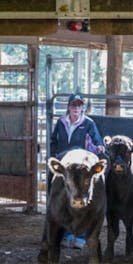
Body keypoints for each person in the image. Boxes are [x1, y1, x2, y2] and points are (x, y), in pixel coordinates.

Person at [49, 93, 105, 249]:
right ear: (68, 107)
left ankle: (79, 237)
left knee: (79, 200)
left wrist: (98, 147)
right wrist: (54, 155)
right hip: (64, 165)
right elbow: (54, 140)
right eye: (73, 105)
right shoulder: (61, 122)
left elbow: (97, 142)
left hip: (80, 168)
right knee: (63, 200)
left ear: (82, 108)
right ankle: (66, 235)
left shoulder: (88, 123)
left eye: (79, 105)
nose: (76, 108)